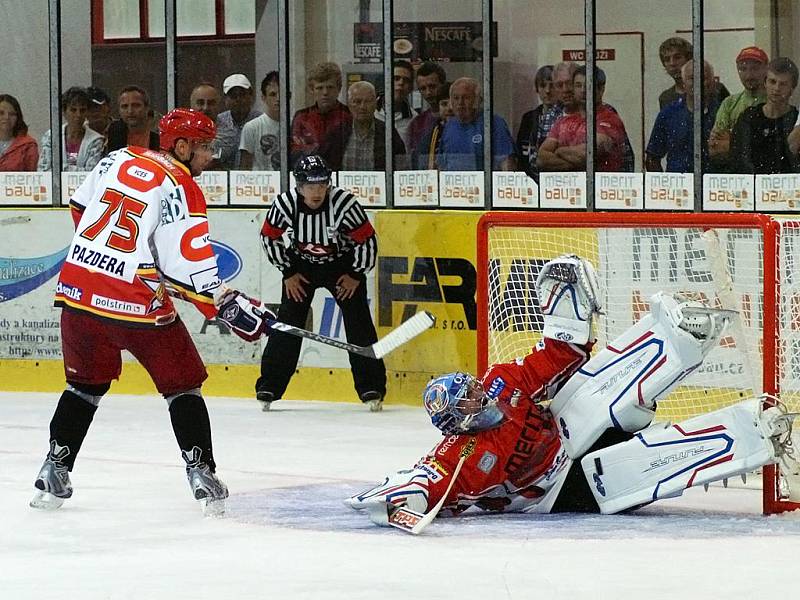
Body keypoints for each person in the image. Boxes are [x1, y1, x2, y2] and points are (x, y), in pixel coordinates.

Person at [347, 255, 794, 526]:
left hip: (564, 434)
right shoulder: (459, 456)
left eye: (470, 389)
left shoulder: (502, 381)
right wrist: (399, 500)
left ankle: (675, 338)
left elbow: (561, 355)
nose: (477, 397)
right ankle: (750, 436)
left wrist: (568, 312)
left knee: (612, 396)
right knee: (621, 466)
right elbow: (427, 481)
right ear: (456, 424)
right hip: (554, 490)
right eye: (466, 402)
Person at [29, 108, 274, 516]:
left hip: (78, 292)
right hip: (137, 306)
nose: (211, 156)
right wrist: (224, 301)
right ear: (180, 146)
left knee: (84, 387)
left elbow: (79, 208)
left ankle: (54, 469)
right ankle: (203, 476)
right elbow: (187, 265)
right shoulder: (182, 186)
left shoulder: (117, 157)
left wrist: (115, 259)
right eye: (204, 147)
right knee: (182, 386)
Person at [256, 154, 385, 412]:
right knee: (288, 322)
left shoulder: (344, 204)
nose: (316, 191)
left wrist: (356, 275)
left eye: (321, 184)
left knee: (358, 322)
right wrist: (288, 271)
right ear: (299, 186)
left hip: (341, 267)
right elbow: (269, 237)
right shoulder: (285, 204)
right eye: (310, 186)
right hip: (300, 267)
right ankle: (270, 384)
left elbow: (368, 240)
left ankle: (371, 386)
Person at [537, 67, 628, 172]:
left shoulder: (609, 118)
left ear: (601, 89)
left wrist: (559, 151)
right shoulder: (563, 121)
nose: (583, 90)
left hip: (599, 187)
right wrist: (577, 165)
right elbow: (541, 159)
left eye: (589, 85)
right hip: (569, 187)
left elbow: (588, 154)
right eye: (578, 85)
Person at [646, 60, 719, 173]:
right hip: (678, 186)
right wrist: (664, 186)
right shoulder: (668, 113)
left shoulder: (722, 112)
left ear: (713, 81)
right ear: (683, 83)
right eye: (692, 78)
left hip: (714, 186)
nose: (698, 82)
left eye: (703, 78)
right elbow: (652, 157)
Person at [731, 57, 799, 174]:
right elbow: (738, 160)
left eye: (783, 84)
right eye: (772, 82)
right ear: (765, 83)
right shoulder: (748, 118)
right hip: (753, 186)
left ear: (792, 89)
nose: (777, 89)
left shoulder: (795, 120)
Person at [322, 81, 406, 171]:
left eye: (368, 101)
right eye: (357, 102)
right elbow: (325, 167)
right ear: (349, 104)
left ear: (375, 103)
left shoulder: (388, 133)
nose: (362, 106)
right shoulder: (336, 133)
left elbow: (401, 168)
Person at [437, 77, 516, 171]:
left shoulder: (494, 124)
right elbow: (441, 165)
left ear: (478, 100)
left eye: (466, 98)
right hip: (454, 184)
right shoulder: (449, 126)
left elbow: (507, 165)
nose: (460, 103)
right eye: (456, 98)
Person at [708, 46, 768, 170]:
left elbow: (775, 149)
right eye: (743, 69)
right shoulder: (729, 103)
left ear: (766, 69)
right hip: (734, 176)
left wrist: (732, 141)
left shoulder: (774, 101)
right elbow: (714, 148)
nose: (749, 75)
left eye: (755, 69)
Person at [290, 62, 351, 166]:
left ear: (339, 88)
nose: (325, 92)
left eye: (330, 87)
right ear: (311, 90)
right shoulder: (302, 117)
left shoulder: (348, 116)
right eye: (320, 88)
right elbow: (294, 152)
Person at [38, 86, 104, 172]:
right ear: (64, 112)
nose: (78, 115)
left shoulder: (96, 140)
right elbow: (43, 169)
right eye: (73, 110)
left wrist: (59, 168)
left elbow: (92, 173)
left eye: (82, 110)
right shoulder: (51, 136)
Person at [657, 37, 729, 110]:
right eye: (667, 59)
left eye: (677, 57)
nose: (672, 63)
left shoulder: (716, 89)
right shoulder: (665, 98)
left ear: (689, 59)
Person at [215, 73, 262, 170]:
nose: (238, 99)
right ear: (225, 99)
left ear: (251, 95)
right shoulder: (218, 122)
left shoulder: (260, 121)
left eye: (242, 94)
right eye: (233, 96)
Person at [516, 65, 554, 177]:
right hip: (530, 179)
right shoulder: (528, 118)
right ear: (537, 89)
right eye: (543, 86)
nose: (547, 91)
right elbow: (522, 153)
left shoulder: (564, 116)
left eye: (552, 86)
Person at [239, 71, 280, 171]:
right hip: (260, 184)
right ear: (263, 98)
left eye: (282, 94)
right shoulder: (252, 127)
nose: (278, 99)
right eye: (273, 94)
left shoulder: (295, 125)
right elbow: (245, 166)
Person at [406, 61, 448, 156]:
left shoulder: (458, 117)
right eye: (423, 88)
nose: (428, 92)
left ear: (443, 84)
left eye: (432, 86)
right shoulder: (416, 124)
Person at [375, 60, 418, 147]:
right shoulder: (371, 111)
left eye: (406, 80)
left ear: (410, 88)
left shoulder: (414, 119)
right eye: (396, 78)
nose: (401, 83)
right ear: (386, 81)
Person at [106, 86, 160, 153]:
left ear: (147, 108)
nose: (130, 111)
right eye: (124, 106)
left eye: (136, 105)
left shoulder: (160, 133)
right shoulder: (114, 134)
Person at [412, 85, 453, 170]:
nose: (449, 108)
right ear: (438, 108)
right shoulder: (430, 135)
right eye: (444, 104)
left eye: (453, 104)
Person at [0, 94, 38, 171]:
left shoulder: (28, 145)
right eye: (1, 113)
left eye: (12, 114)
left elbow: (32, 178)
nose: (6, 117)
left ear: (18, 118)